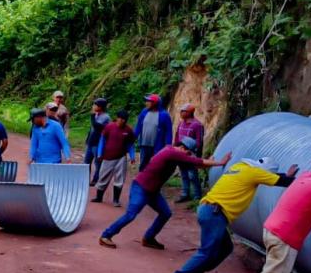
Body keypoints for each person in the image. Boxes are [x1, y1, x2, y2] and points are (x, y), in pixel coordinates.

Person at [167, 157, 299, 273]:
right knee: (206, 251)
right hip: (215, 214)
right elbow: (284, 182)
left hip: (209, 210)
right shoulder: (254, 173)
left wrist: (283, 175)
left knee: (225, 247)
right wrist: (292, 177)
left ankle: (196, 272)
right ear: (264, 171)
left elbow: (272, 177)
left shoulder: (241, 167)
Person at [99, 138, 231, 251]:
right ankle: (106, 235)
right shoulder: (171, 152)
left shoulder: (175, 154)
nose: (188, 155)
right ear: (182, 147)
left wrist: (209, 163)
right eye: (188, 152)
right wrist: (220, 162)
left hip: (152, 191)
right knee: (131, 214)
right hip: (141, 187)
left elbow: (194, 164)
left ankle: (149, 238)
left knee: (165, 213)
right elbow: (196, 162)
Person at [91, 110, 136, 207]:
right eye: (120, 119)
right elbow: (102, 140)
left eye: (124, 119)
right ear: (117, 118)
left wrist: (132, 156)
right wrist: (99, 153)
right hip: (108, 156)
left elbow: (130, 145)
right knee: (103, 176)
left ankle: (116, 200)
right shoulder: (109, 127)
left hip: (121, 157)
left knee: (119, 179)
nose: (121, 121)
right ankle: (99, 197)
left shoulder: (128, 130)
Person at [174, 104, 205, 203]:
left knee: (192, 175)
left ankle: (197, 195)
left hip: (191, 154)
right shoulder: (180, 124)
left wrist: (195, 154)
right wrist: (175, 148)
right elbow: (177, 137)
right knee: (183, 174)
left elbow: (199, 141)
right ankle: (185, 193)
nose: (181, 113)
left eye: (183, 111)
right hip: (180, 152)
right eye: (181, 111)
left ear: (189, 112)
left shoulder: (197, 125)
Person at [134, 94, 173, 171]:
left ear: (155, 103)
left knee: (155, 165)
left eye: (149, 101)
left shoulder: (164, 115)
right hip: (144, 144)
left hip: (158, 146)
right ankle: (141, 180)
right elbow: (138, 127)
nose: (146, 103)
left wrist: (168, 145)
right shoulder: (144, 112)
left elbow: (169, 132)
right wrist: (131, 138)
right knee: (143, 165)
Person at [85, 98, 111, 186]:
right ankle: (85, 179)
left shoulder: (105, 117)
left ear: (100, 107)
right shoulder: (96, 115)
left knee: (97, 162)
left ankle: (96, 179)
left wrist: (92, 116)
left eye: (95, 105)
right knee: (86, 162)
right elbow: (91, 129)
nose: (94, 106)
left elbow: (97, 126)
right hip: (91, 142)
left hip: (98, 142)